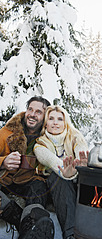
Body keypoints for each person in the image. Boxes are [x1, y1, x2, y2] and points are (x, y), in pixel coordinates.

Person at [0, 96, 55, 239]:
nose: (32, 114)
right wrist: (3, 161)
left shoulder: (49, 138)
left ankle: (33, 225)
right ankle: (26, 225)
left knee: (39, 186)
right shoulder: (6, 133)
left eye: (38, 112)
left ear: (45, 117)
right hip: (4, 181)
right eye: (30, 109)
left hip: (31, 183)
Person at [34, 105, 89, 239]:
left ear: (65, 122)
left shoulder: (74, 136)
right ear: (45, 123)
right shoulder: (40, 145)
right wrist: (64, 173)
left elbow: (81, 149)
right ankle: (70, 234)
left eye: (60, 119)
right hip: (55, 188)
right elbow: (52, 161)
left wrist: (80, 163)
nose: (55, 123)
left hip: (77, 183)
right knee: (58, 178)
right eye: (51, 118)